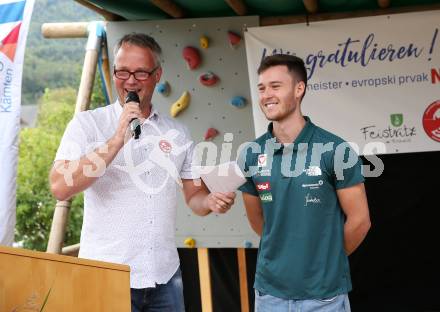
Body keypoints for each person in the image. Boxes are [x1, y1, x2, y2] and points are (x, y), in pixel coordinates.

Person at [49, 33, 236, 312]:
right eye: (122, 71)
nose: (131, 81)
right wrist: (116, 140)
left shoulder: (178, 132)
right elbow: (60, 186)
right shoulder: (88, 124)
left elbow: (194, 195)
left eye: (140, 72)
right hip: (106, 275)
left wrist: (210, 202)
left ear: (157, 75)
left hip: (164, 276)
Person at [238, 54, 371, 312]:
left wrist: (326, 262)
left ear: (299, 89)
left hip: (324, 297)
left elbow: (360, 221)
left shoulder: (335, 149)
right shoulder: (252, 153)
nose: (267, 95)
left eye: (276, 86)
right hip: (270, 295)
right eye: (262, 88)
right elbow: (259, 223)